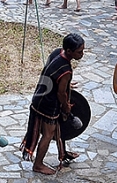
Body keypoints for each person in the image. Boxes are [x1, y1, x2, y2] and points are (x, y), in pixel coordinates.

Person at [21, 33, 85, 174]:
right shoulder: (66, 70)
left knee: (56, 130)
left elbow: (52, 75)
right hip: (48, 105)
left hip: (39, 96)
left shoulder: (57, 52)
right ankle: (38, 164)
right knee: (49, 134)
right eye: (79, 52)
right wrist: (66, 107)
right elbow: (61, 93)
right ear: (69, 51)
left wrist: (66, 84)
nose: (82, 54)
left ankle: (63, 153)